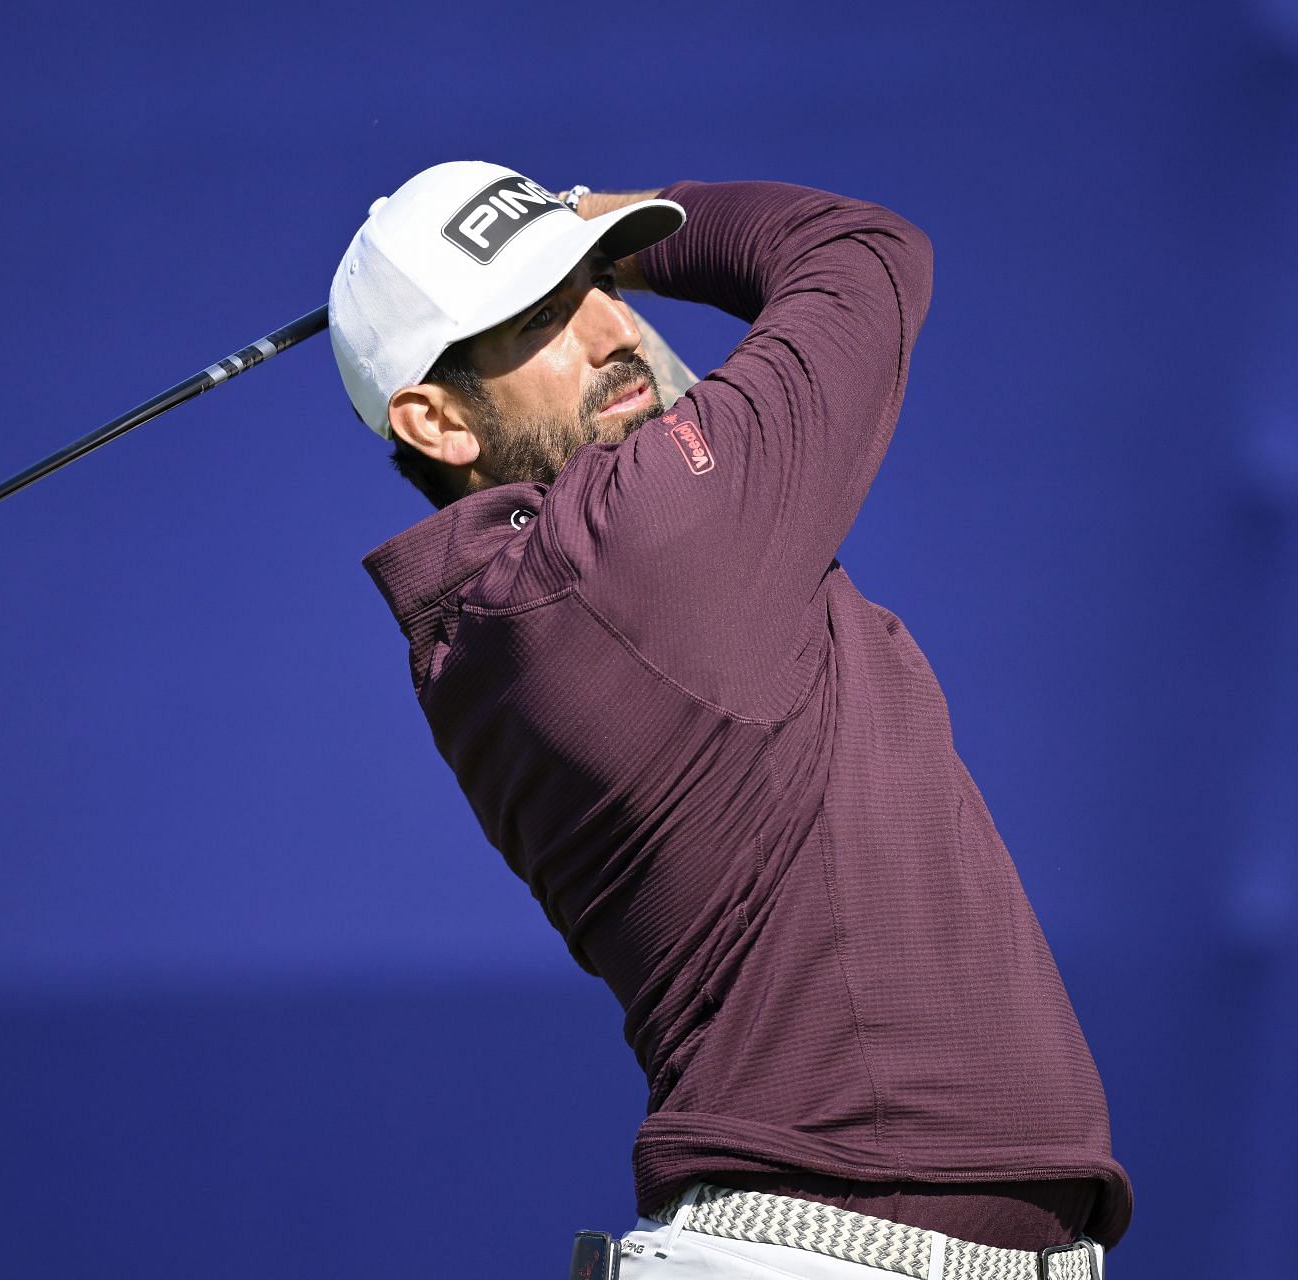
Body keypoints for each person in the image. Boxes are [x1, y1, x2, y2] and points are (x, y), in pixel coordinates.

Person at [329, 163, 1131, 1279]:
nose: (614, 326)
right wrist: (642, 226)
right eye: (546, 312)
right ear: (435, 417)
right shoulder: (637, 548)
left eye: (606, 286)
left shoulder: (513, 613)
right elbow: (861, 251)